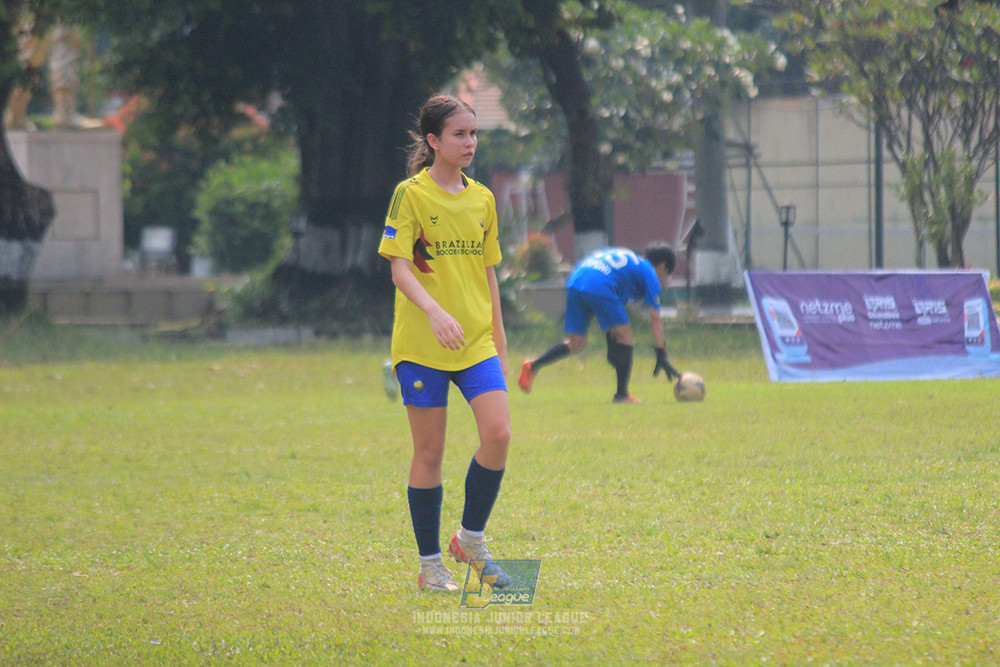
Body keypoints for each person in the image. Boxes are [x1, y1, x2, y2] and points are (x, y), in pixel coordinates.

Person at [378, 94, 512, 592]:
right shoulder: (410, 195)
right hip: (422, 345)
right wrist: (434, 313)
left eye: (474, 134)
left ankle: (470, 539)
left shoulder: (483, 199)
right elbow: (399, 266)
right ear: (433, 141)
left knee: (498, 435)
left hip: (475, 342)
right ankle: (431, 564)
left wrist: (499, 338)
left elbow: (488, 273)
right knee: (429, 453)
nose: (470, 142)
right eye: (459, 134)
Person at [519, 244, 681, 403]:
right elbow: (656, 320)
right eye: (665, 275)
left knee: (576, 343)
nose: (662, 280)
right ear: (662, 266)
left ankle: (534, 365)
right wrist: (661, 353)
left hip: (577, 279)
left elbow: (609, 314)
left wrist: (613, 344)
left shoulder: (631, 264)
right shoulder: (649, 272)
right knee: (625, 335)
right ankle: (622, 395)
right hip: (599, 283)